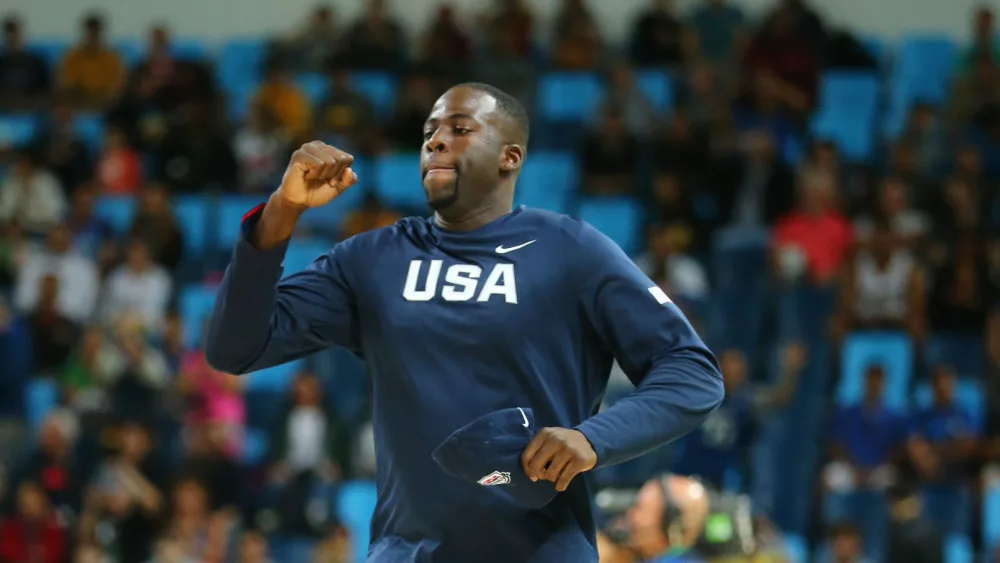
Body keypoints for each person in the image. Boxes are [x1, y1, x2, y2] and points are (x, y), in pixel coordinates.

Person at [205, 82, 723, 562]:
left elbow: (691, 372)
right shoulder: (372, 260)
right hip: (406, 551)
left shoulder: (571, 251)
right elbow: (236, 349)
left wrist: (592, 439)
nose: (435, 142)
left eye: (459, 129)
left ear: (509, 156)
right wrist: (281, 213)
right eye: (429, 132)